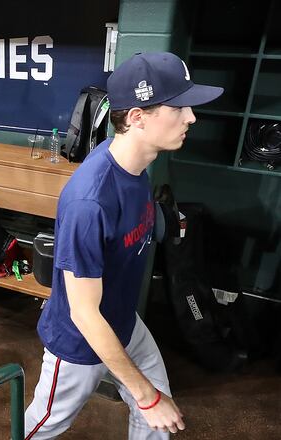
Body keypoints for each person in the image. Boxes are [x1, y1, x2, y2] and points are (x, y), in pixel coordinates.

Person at [24, 52, 223, 439]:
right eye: (179, 107)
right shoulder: (90, 201)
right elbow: (84, 314)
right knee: (43, 428)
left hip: (124, 323)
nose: (191, 118)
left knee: (160, 412)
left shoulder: (137, 168)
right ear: (137, 117)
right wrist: (145, 396)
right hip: (79, 343)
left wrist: (150, 397)